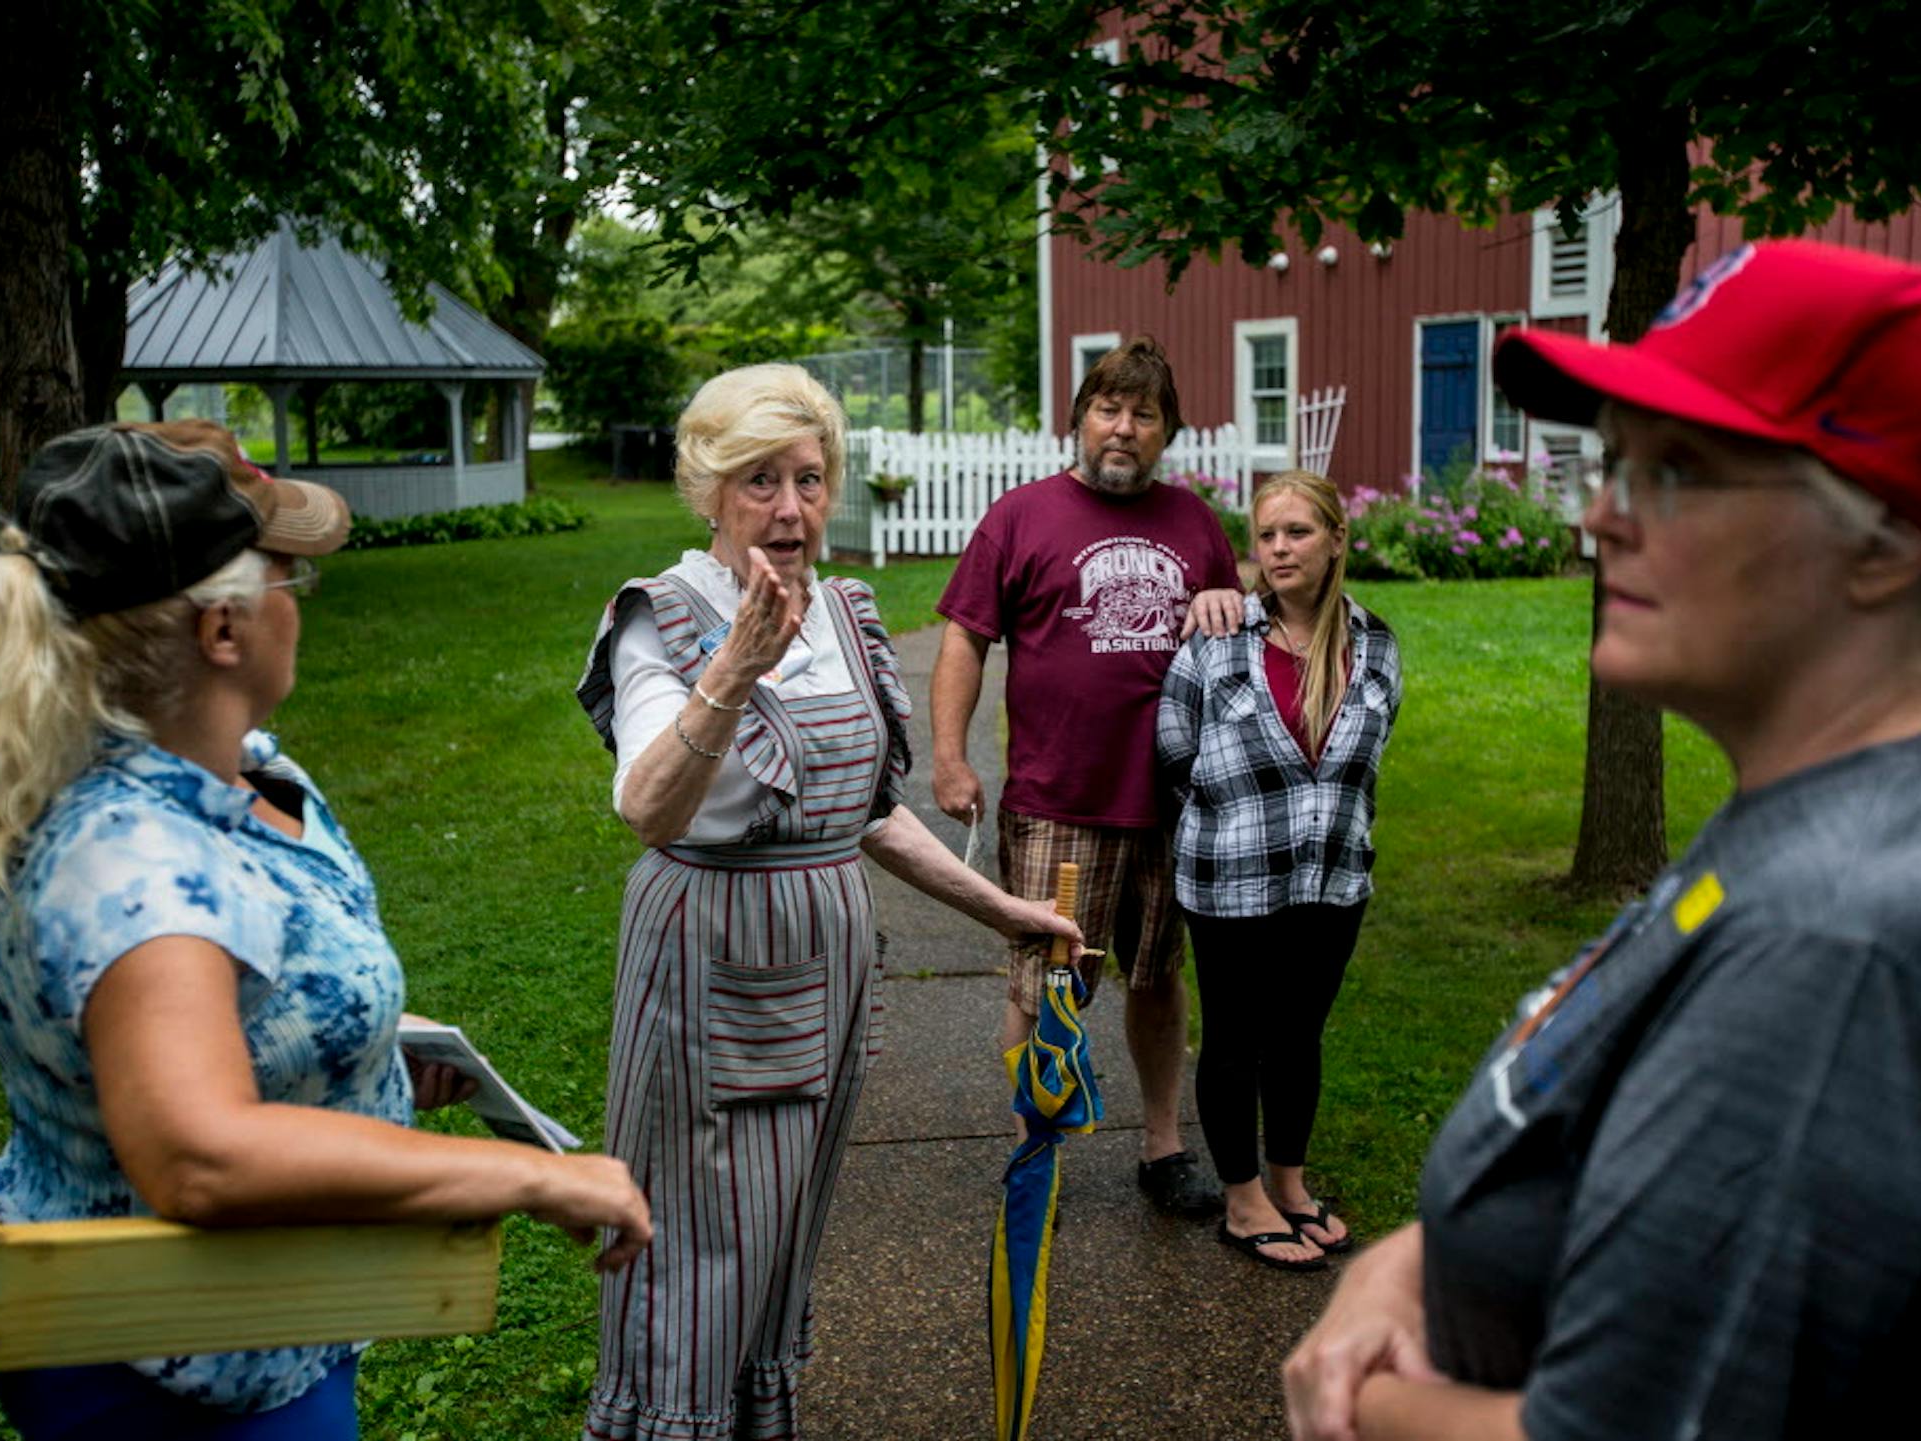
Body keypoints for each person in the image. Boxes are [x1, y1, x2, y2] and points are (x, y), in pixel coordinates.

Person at [1281, 239, 1921, 1441]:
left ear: (1886, 546)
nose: (1601, 518)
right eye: (1615, 462)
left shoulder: (1843, 940)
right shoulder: (1828, 816)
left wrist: (1355, 1395)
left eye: (1677, 472)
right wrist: (1397, 1268)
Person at [0, 420, 651, 1440]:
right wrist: (534, 1175)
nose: (297, 603)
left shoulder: (249, 772)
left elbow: (232, 997)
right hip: (174, 1370)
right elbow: (199, 1154)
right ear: (223, 629)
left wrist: (359, 1050)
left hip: (275, 1330)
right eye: (284, 579)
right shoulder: (131, 859)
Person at [576, 363, 1083, 1441]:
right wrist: (734, 673)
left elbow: (862, 810)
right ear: (708, 490)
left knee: (779, 1233)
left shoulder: (844, 614)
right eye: (760, 480)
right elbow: (648, 808)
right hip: (712, 968)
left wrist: (1003, 909)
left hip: (823, 972)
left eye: (809, 479)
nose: (792, 507)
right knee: (699, 1240)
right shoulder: (659, 619)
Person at [932, 335, 1244, 1214]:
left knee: (1157, 976)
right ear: (1079, 419)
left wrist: (1230, 602)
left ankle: (1163, 1148)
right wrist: (951, 756)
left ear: (1167, 432)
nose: (1124, 428)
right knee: (1045, 985)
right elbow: (966, 636)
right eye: (1108, 409)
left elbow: (1238, 648)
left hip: (1175, 804)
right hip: (1059, 798)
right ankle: (1035, 1149)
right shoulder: (1021, 516)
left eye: (1145, 415)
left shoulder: (1196, 525)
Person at [1157, 471, 1400, 1271]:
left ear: (1336, 540)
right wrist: (1238, 812)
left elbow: (1369, 755)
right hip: (1232, 873)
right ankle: (1242, 1197)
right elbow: (1175, 748)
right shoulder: (1218, 639)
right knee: (1234, 1034)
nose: (1280, 549)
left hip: (1331, 874)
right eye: (1266, 535)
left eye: (1298, 532)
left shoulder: (1377, 644)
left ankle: (1290, 1184)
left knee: (1299, 1033)